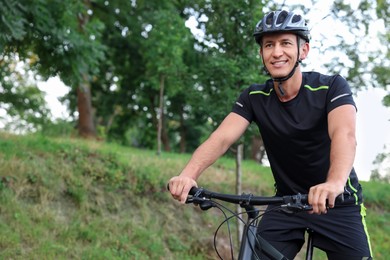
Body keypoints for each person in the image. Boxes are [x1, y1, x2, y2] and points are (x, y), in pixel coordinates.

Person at [168, 10, 372, 260]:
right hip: (286, 204)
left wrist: (334, 183)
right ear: (261, 53)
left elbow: (345, 134)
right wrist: (188, 175)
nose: (276, 52)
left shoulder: (331, 87)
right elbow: (220, 138)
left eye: (285, 43)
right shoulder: (254, 98)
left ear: (303, 50)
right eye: (269, 45)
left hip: (338, 202)